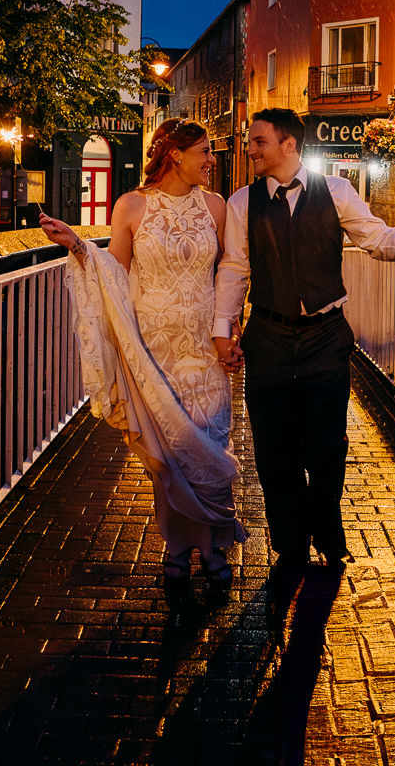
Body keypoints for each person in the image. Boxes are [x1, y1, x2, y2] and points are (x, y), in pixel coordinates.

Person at [213, 107, 395, 583]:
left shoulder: (338, 190)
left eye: (259, 141)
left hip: (326, 337)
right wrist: (224, 330)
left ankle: (328, 535)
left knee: (326, 447)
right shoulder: (242, 202)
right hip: (267, 337)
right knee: (273, 449)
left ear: (289, 145)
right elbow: (234, 269)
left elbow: (377, 238)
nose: (249, 149)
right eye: (250, 141)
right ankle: (289, 546)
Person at [41, 120, 246, 589]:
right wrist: (76, 244)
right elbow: (115, 270)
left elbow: (229, 275)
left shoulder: (215, 207)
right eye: (205, 151)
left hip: (203, 348)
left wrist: (229, 330)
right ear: (175, 154)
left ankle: (213, 547)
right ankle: (176, 549)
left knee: (210, 446)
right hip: (153, 348)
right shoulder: (132, 205)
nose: (212, 161)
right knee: (167, 452)